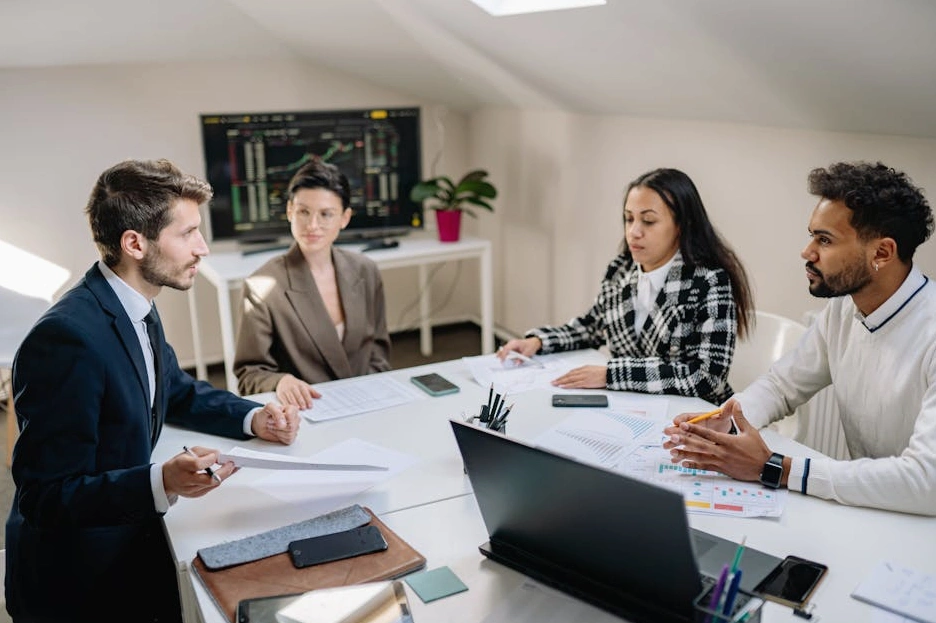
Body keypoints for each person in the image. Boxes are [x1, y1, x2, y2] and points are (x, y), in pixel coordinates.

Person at [5, 159, 301, 622]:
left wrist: (252, 417)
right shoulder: (67, 340)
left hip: (132, 541)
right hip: (80, 582)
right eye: (187, 234)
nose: (202, 248)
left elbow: (174, 389)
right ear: (135, 244)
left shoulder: (133, 302)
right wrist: (160, 480)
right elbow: (46, 497)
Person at [665, 161, 936, 516]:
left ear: (882, 253)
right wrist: (729, 420)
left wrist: (775, 467)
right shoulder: (842, 311)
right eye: (812, 235)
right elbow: (781, 385)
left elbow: (926, 482)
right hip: (874, 512)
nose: (807, 252)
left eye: (824, 240)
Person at [497, 167, 753, 405]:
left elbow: (707, 378)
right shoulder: (621, 269)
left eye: (649, 221)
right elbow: (593, 327)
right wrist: (538, 342)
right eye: (629, 219)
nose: (633, 232)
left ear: (681, 226)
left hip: (697, 418)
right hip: (630, 407)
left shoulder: (710, 281)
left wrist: (611, 375)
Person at [234, 158, 391, 408]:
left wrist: (370, 396)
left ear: (345, 218)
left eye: (326, 214)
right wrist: (281, 382)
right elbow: (250, 374)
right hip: (306, 411)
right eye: (303, 212)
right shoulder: (261, 287)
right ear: (289, 211)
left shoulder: (366, 270)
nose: (313, 225)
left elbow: (379, 352)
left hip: (366, 403)